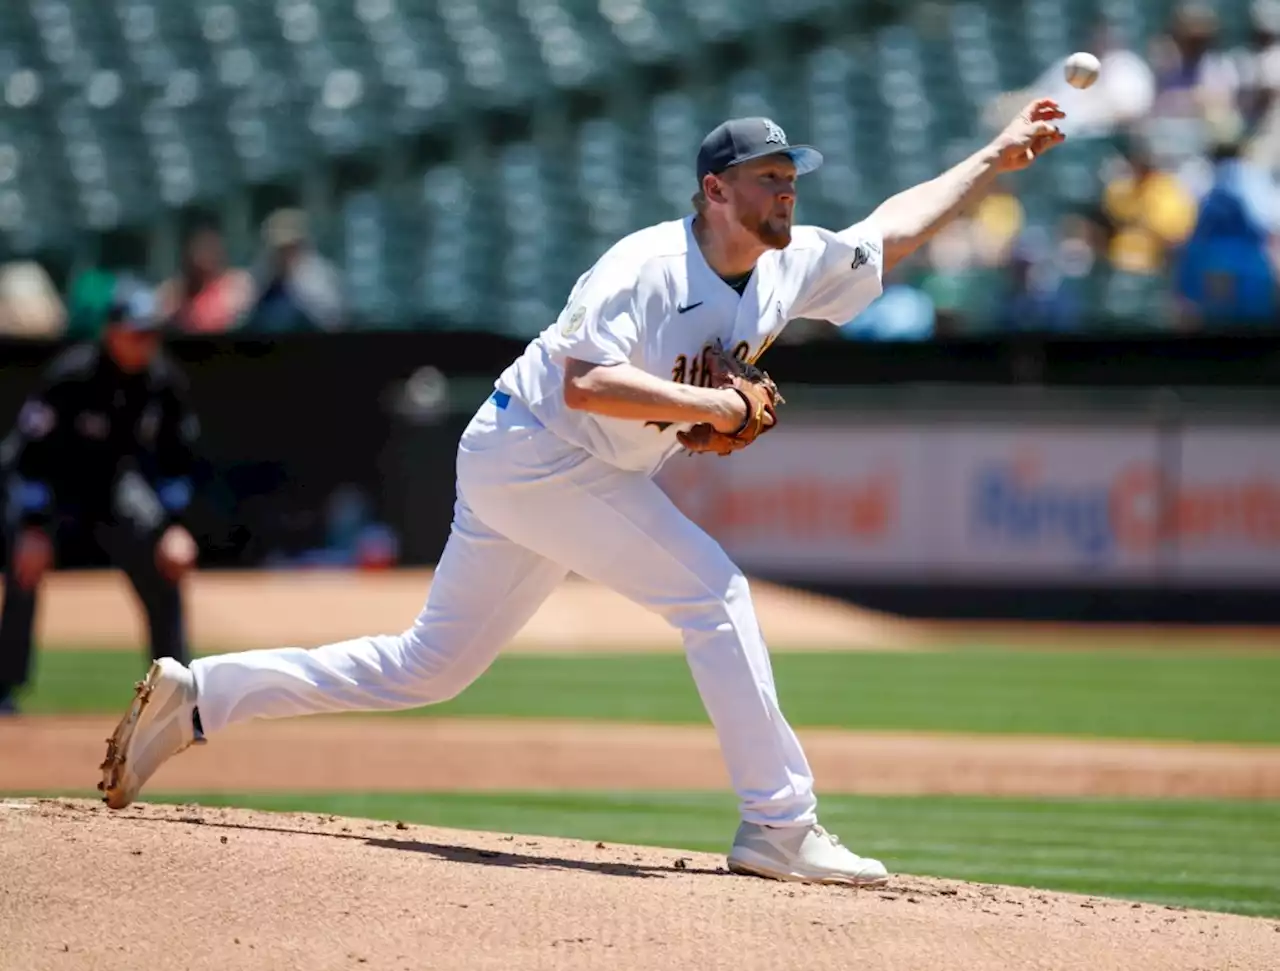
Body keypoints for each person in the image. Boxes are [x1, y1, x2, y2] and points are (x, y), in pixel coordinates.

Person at [99, 99, 1066, 884]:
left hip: (550, 464)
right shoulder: (646, 268)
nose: (789, 192)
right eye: (772, 178)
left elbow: (885, 233)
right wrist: (715, 404)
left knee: (425, 667)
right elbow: (585, 382)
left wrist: (989, 158)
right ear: (715, 190)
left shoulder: (784, 265)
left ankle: (199, 697)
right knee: (715, 594)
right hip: (542, 451)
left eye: (792, 177)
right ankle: (781, 823)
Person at [0, 286, 201, 714]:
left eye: (151, 333)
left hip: (114, 491)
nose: (144, 342)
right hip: (56, 490)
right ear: (111, 333)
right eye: (135, 333)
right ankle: (4, 689)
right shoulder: (72, 376)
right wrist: (33, 526)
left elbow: (178, 461)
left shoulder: (162, 381)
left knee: (163, 562)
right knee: (24, 568)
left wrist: (173, 526)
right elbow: (27, 457)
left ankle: (176, 688)